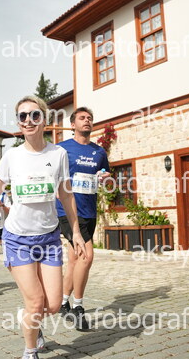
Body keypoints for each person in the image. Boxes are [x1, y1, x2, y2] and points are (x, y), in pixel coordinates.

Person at [0, 96, 87, 359]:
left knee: (52, 305)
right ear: (19, 123)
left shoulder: (58, 154)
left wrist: (75, 232)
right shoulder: (12, 156)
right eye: (23, 116)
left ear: (44, 119)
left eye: (34, 115)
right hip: (18, 239)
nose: (29, 120)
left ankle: (29, 318)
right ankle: (30, 351)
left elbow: (66, 195)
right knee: (35, 301)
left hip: (49, 239)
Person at [56, 107, 110, 330]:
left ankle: (62, 303)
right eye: (82, 118)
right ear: (73, 124)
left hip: (89, 211)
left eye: (90, 118)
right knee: (87, 256)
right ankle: (78, 308)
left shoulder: (99, 152)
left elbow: (105, 175)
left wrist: (105, 177)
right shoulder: (62, 149)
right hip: (67, 211)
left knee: (75, 260)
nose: (87, 121)